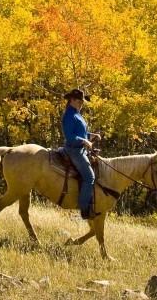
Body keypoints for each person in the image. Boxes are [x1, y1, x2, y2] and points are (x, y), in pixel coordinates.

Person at [62, 88, 102, 219]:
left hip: (81, 148)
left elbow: (81, 133)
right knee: (89, 177)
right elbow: (69, 136)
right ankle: (83, 210)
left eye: (82, 102)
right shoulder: (69, 115)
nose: (81, 104)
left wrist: (91, 135)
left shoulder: (76, 114)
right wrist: (84, 141)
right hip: (74, 150)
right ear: (72, 100)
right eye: (79, 101)